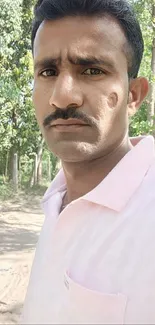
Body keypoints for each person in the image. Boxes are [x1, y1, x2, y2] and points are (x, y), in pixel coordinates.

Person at [21, 0, 155, 324]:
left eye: (92, 70)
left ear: (133, 95)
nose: (63, 96)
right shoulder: (56, 200)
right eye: (48, 72)